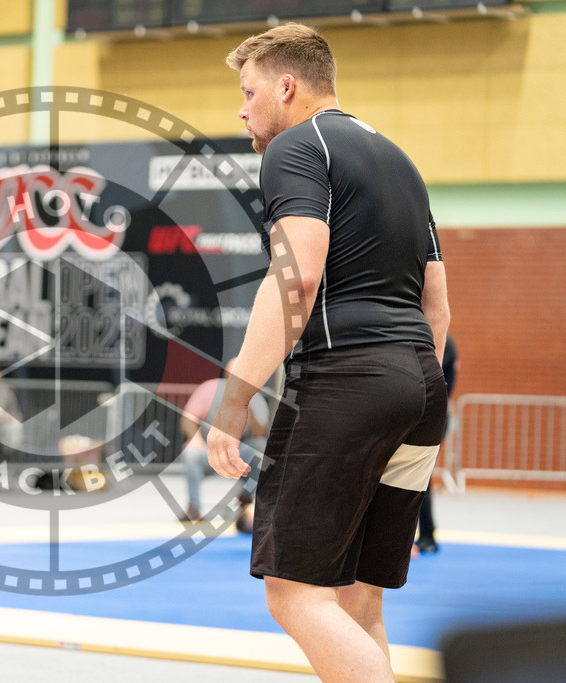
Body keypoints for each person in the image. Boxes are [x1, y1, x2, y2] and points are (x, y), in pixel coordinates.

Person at [208, 25, 450, 682]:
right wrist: (406, 386)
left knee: (293, 592)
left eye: (248, 91)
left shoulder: (293, 148)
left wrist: (235, 397)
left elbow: (296, 276)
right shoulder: (400, 160)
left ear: (286, 87)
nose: (242, 109)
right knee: (357, 597)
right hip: (422, 389)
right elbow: (437, 306)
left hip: (347, 382)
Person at [178, 357, 268, 526]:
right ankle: (194, 507)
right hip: (208, 449)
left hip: (239, 451)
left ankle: (246, 501)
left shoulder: (255, 396)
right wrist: (195, 438)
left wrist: (247, 406)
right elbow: (188, 417)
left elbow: (260, 433)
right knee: (190, 454)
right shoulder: (210, 388)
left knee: (261, 449)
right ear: (226, 373)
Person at [416, 334, 458, 555]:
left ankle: (426, 535)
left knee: (419, 475)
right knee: (417, 476)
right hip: (426, 412)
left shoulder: (443, 341)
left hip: (432, 414)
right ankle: (425, 534)